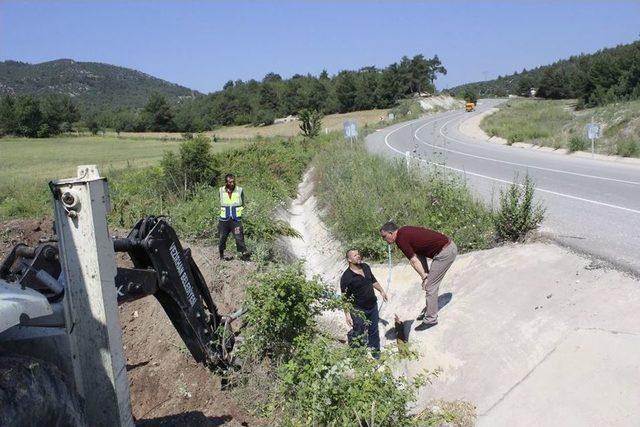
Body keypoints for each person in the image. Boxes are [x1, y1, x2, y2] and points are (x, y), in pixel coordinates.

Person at [380, 222, 457, 331]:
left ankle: (431, 319)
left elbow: (414, 261)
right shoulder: (404, 231)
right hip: (446, 248)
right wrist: (425, 273)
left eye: (384, 236)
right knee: (429, 283)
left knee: (430, 286)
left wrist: (425, 278)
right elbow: (419, 253)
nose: (384, 240)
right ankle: (429, 311)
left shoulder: (400, 239)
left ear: (391, 233)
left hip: (445, 253)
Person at [340, 249, 388, 356]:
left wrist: (381, 291)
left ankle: (375, 353)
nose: (358, 256)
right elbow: (345, 298)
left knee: (374, 330)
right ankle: (357, 355)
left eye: (358, 254)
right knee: (359, 331)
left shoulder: (366, 267)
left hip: (372, 306)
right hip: (358, 309)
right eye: (355, 255)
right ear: (349, 259)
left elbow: (373, 280)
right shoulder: (346, 277)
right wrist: (347, 314)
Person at [218, 174, 250, 260]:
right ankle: (221, 255)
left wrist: (239, 211)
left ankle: (244, 253)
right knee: (222, 238)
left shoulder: (239, 190)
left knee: (239, 236)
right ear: (226, 182)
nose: (232, 183)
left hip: (236, 220)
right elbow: (220, 201)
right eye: (230, 182)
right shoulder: (221, 190)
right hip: (224, 220)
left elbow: (243, 203)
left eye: (233, 181)